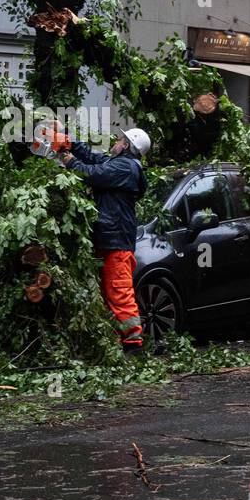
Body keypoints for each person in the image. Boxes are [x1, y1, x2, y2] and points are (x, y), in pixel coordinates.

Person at [57, 128, 152, 350]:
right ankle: (118, 341)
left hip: (116, 240)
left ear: (127, 145)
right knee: (107, 293)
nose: (116, 142)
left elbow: (93, 174)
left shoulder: (125, 167)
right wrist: (68, 138)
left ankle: (133, 343)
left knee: (119, 291)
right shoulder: (117, 163)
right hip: (108, 237)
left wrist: (70, 161)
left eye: (120, 139)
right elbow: (92, 157)